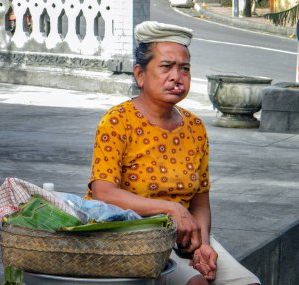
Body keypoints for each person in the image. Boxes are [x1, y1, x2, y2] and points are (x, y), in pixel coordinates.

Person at [86, 21, 261, 285]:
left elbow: (200, 200)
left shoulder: (195, 127)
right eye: (166, 67)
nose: (176, 77)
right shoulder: (118, 121)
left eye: (184, 69)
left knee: (247, 282)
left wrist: (203, 244)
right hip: (128, 235)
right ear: (140, 74)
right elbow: (103, 192)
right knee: (196, 283)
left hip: (184, 236)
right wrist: (171, 209)